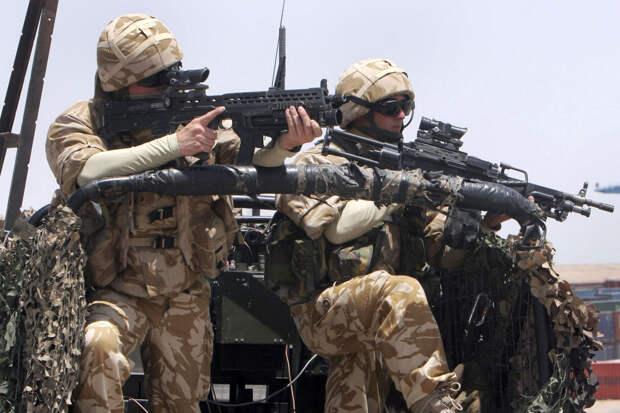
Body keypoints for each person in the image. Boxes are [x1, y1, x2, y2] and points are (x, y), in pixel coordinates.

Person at [45, 14, 321, 413]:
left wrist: (286, 145)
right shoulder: (79, 122)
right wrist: (174, 145)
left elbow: (254, 163)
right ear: (119, 83)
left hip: (185, 291)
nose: (168, 85)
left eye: (172, 73)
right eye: (156, 78)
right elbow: (87, 171)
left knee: (182, 403)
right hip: (116, 289)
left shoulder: (194, 116)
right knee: (97, 346)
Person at [271, 58, 509, 413]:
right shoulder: (319, 163)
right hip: (324, 311)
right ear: (358, 112)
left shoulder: (403, 168)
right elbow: (335, 228)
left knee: (358, 381)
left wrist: (484, 224)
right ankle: (437, 403)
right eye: (390, 107)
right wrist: (404, 189)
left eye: (405, 107)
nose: (400, 116)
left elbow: (443, 256)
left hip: (381, 317)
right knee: (399, 291)